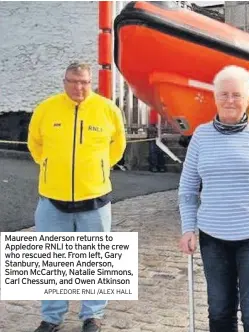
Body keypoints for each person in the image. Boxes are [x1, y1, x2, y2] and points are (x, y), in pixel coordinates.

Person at [178, 65, 249, 332]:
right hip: (214, 238)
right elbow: (187, 188)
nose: (230, 100)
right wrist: (187, 228)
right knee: (219, 310)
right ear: (215, 97)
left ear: (248, 99)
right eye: (224, 94)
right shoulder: (201, 137)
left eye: (237, 95)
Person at [27, 62, 127, 332]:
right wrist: (50, 166)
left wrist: (99, 169)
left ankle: (92, 315)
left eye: (84, 82)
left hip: (94, 198)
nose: (78, 87)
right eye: (73, 81)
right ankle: (51, 317)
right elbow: (35, 144)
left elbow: (118, 145)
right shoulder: (46, 109)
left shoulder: (107, 110)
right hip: (52, 198)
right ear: (64, 81)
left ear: (90, 82)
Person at [147, 108, 167, 172]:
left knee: (157, 150)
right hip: (155, 128)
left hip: (158, 128)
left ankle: (158, 166)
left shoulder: (153, 108)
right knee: (155, 150)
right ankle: (157, 166)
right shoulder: (155, 108)